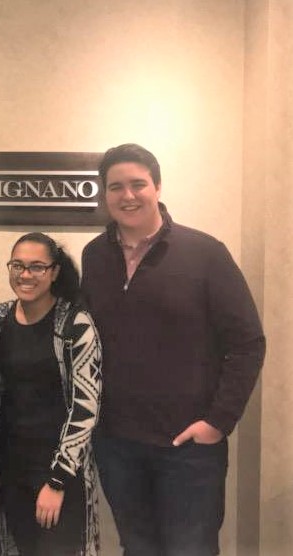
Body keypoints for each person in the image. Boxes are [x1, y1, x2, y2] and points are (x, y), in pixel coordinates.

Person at [82, 144, 265, 555]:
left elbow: (247, 342)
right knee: (138, 548)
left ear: (158, 186)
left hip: (188, 450)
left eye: (137, 184)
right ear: (105, 194)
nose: (127, 195)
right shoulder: (95, 256)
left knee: (191, 549)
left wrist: (217, 422)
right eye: (115, 187)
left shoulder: (205, 253)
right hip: (117, 443)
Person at [0, 233, 102, 556]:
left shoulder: (75, 324)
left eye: (37, 267)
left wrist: (57, 480)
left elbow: (85, 407)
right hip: (12, 466)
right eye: (18, 265)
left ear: (54, 272)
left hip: (59, 470)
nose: (25, 274)